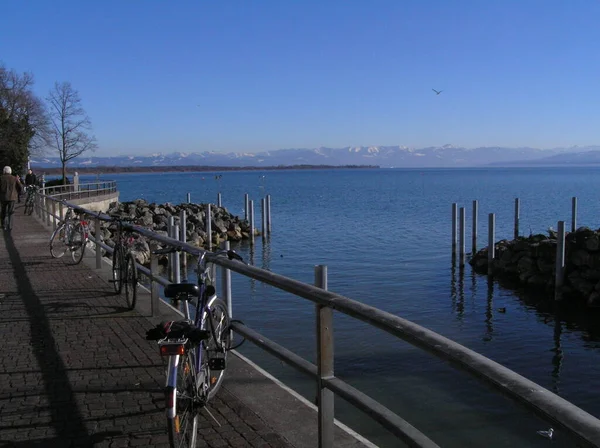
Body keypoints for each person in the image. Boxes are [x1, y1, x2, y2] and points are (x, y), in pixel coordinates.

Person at [0, 166, 22, 230]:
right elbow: (20, 187)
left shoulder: (1, 178)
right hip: (12, 197)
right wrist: (18, 193)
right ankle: (10, 226)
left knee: (3, 211)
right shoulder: (14, 178)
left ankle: (3, 225)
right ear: (10, 171)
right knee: (11, 212)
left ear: (4, 171)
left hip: (3, 197)